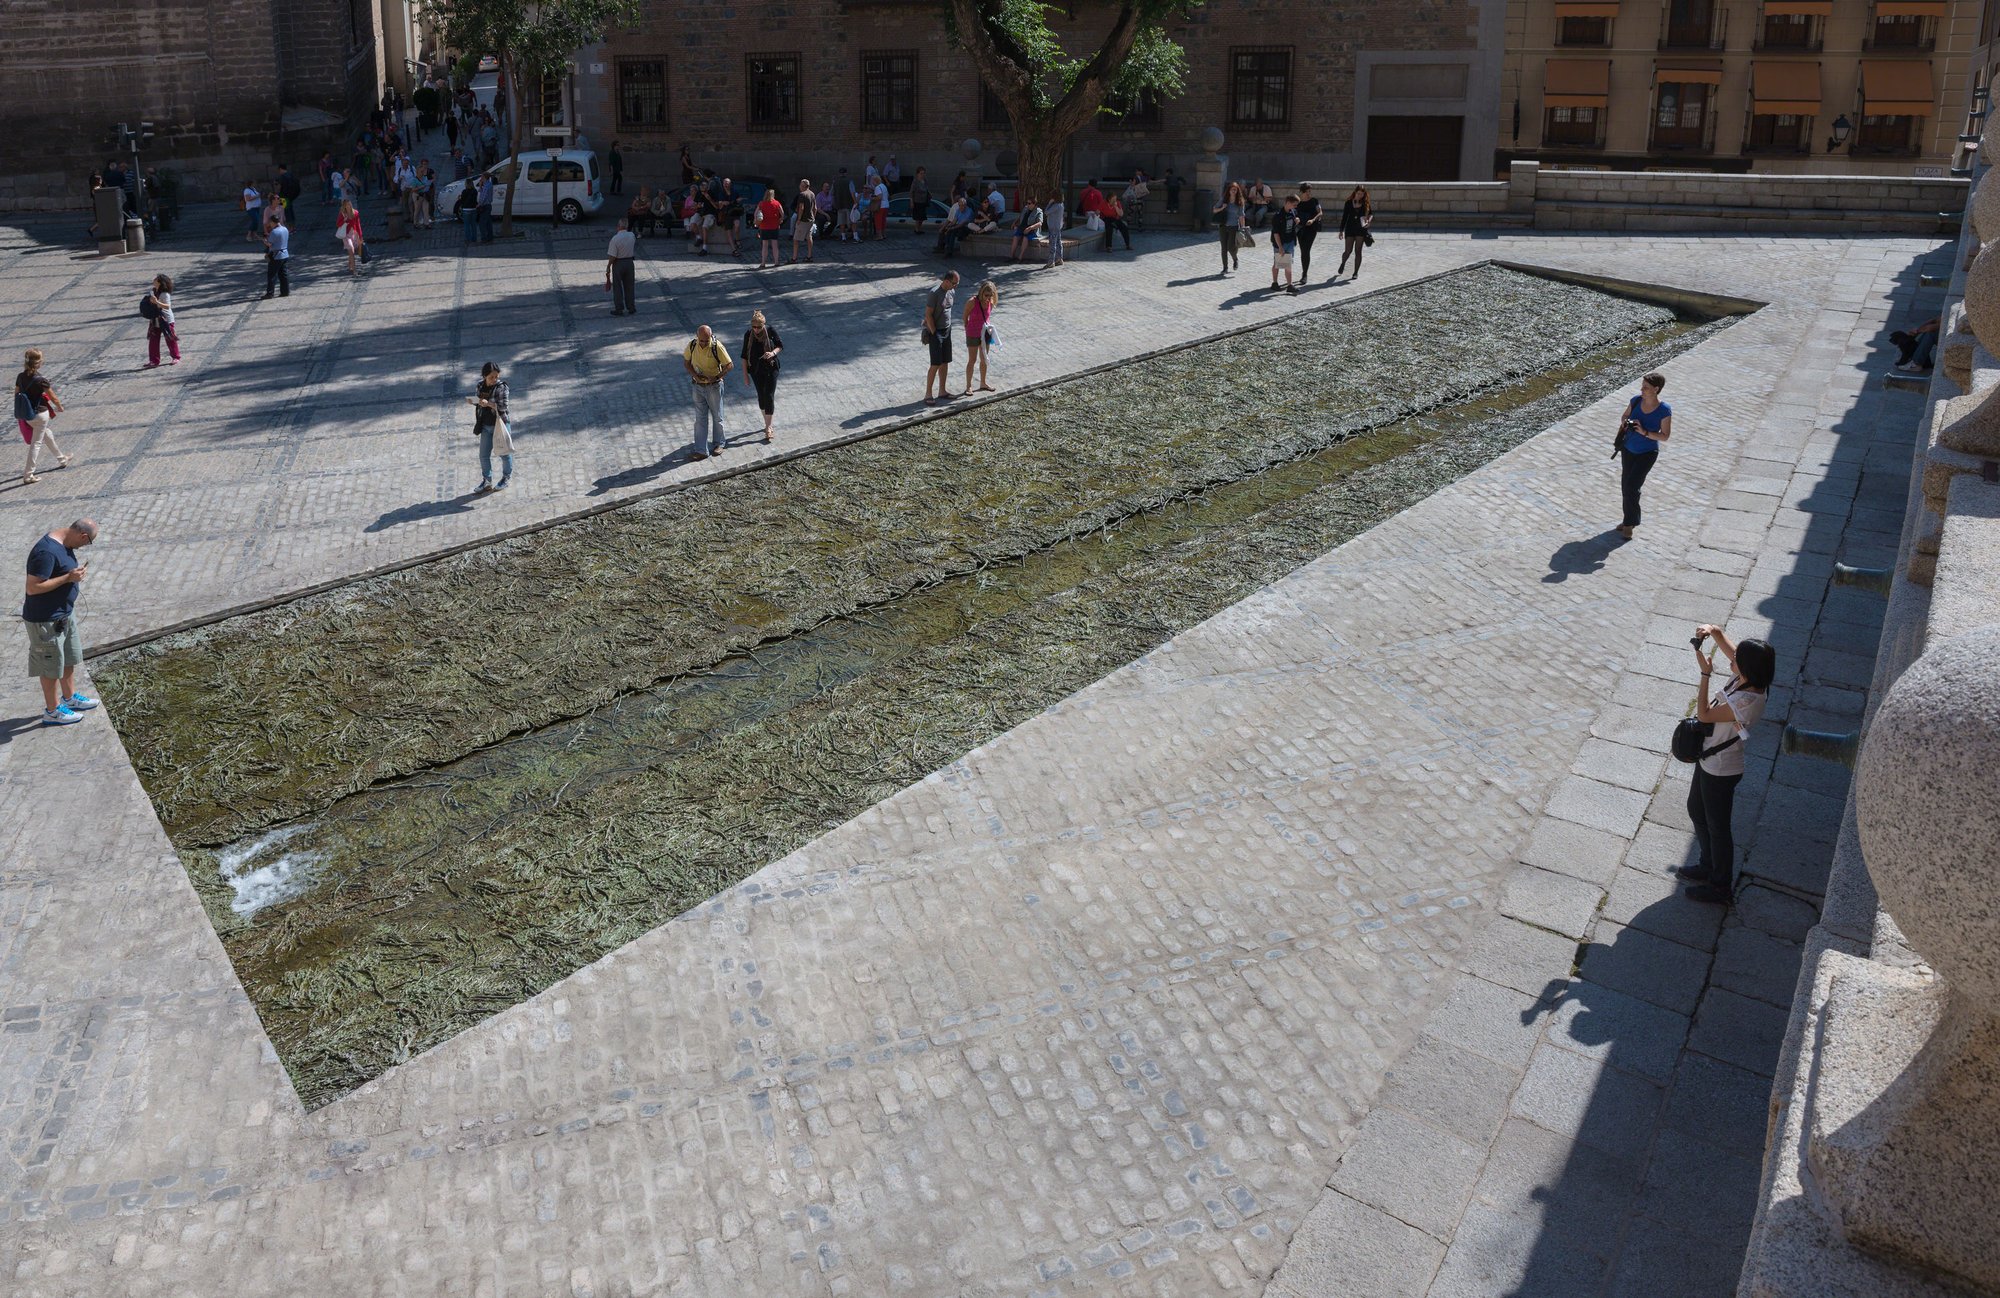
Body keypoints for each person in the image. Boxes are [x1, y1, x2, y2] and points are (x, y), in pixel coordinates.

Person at [1679, 625, 1775, 905]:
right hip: (1709, 759)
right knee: (1696, 809)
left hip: (1722, 769)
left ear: (1747, 668)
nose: (1731, 660)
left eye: (1736, 660)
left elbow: (1704, 715)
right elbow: (1729, 648)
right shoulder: (1747, 677)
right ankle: (1707, 863)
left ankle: (1720, 886)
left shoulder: (1747, 701)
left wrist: (1705, 675)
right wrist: (1714, 630)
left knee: (1718, 827)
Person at [22, 518, 100, 728]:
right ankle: (52, 711)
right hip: (46, 621)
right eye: (87, 542)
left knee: (67, 658)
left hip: (64, 615)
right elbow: (33, 588)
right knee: (50, 668)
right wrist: (67, 578)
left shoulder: (64, 545)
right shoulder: (46, 552)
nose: (84, 546)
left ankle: (69, 697)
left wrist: (73, 577)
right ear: (83, 536)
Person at [1614, 372, 1672, 540]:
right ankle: (1629, 519)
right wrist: (1626, 422)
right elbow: (1625, 415)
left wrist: (1644, 432)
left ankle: (1629, 524)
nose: (1642, 389)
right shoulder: (1635, 400)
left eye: (1646, 387)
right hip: (1628, 449)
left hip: (1647, 453)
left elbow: (1665, 436)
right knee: (1626, 486)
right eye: (1642, 386)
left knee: (1632, 486)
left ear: (1656, 389)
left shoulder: (1664, 410)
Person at [15, 350, 68, 486]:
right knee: (36, 443)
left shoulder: (20, 376)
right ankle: (28, 475)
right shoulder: (41, 380)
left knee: (47, 434)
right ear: (38, 363)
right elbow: (53, 397)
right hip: (40, 414)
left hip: (28, 415)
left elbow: (17, 394)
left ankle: (62, 459)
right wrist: (60, 407)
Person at [684, 325, 734, 460]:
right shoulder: (692, 345)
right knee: (700, 419)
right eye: (701, 340)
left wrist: (717, 377)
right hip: (697, 386)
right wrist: (695, 375)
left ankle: (719, 444)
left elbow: (729, 365)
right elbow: (686, 362)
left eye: (706, 340)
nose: (704, 343)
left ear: (711, 336)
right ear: (697, 337)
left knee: (717, 417)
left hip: (714, 387)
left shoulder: (717, 346)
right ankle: (701, 450)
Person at [465, 361, 513, 492]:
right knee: (483, 455)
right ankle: (487, 481)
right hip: (485, 425)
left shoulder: (502, 388)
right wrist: (473, 401)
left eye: (496, 376)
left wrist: (489, 404)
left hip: (500, 425)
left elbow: (503, 407)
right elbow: (479, 402)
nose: (494, 379)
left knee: (504, 453)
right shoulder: (480, 385)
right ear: (484, 376)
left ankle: (506, 478)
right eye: (491, 377)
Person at [742, 311, 783, 444]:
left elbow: (780, 345)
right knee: (761, 395)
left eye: (759, 327)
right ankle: (766, 421)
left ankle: (768, 427)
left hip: (771, 367)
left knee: (769, 395)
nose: (756, 330)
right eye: (754, 327)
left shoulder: (770, 331)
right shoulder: (748, 334)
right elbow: (744, 356)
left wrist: (772, 353)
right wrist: (745, 376)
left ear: (763, 325)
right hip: (755, 370)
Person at [922, 270, 959, 406]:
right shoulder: (934, 293)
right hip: (936, 332)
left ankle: (942, 391)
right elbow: (928, 314)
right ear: (946, 281)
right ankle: (928, 394)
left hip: (947, 330)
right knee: (935, 364)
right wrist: (933, 332)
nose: (955, 286)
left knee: (945, 362)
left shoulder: (951, 291)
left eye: (957, 284)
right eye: (954, 283)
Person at [962, 280, 998, 396]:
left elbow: (987, 317)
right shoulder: (972, 302)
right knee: (972, 360)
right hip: (972, 333)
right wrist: (967, 328)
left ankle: (983, 383)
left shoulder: (990, 302)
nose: (988, 298)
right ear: (981, 292)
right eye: (986, 295)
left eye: (990, 295)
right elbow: (965, 316)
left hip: (985, 333)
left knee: (984, 359)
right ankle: (968, 386)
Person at [143, 275, 180, 367]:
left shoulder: (164, 294)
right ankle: (154, 360)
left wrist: (156, 302)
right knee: (153, 340)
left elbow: (167, 306)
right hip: (155, 319)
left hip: (166, 320)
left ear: (159, 282)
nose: (153, 280)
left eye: (155, 279)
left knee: (170, 339)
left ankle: (176, 357)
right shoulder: (153, 291)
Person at [1337, 186, 1372, 280]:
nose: (1360, 195)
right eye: (1358, 193)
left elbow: (1370, 215)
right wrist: (1341, 231)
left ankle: (1355, 272)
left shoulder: (1366, 203)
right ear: (1355, 192)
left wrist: (1368, 222)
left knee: (1358, 251)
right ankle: (1343, 263)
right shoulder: (1348, 203)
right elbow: (1344, 217)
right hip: (1350, 229)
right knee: (1348, 251)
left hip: (1361, 229)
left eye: (1362, 194)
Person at [606, 217, 638, 315]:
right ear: (627, 226)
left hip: (618, 263)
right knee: (629, 286)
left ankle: (619, 308)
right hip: (629, 262)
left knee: (617, 286)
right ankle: (631, 307)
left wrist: (608, 266)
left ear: (618, 226)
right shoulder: (632, 235)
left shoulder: (615, 239)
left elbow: (613, 256)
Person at [1269, 194, 1300, 294]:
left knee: (1288, 264)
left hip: (1290, 242)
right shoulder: (1278, 216)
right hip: (1280, 243)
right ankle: (1274, 283)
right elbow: (1276, 233)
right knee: (1277, 264)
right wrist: (1280, 247)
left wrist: (1297, 221)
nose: (1295, 207)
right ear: (1288, 203)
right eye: (1294, 205)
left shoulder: (1293, 212)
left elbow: (1292, 225)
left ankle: (1290, 285)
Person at [1214, 182, 1246, 274]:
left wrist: (1243, 228)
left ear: (1237, 191)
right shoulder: (1224, 199)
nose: (1233, 191)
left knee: (1230, 247)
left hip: (1234, 227)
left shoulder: (1239, 201)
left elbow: (1241, 216)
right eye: (1232, 189)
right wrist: (1222, 208)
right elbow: (1214, 210)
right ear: (1229, 190)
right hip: (1223, 226)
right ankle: (1225, 268)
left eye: (1235, 190)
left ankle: (1235, 259)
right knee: (1224, 248)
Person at [1294, 184, 1322, 286]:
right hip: (1300, 229)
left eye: (1310, 191)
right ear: (1302, 192)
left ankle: (1304, 274)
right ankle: (1304, 272)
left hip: (1311, 229)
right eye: (1307, 192)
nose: (1309, 193)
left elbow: (1320, 213)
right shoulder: (1298, 203)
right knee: (1303, 251)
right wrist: (1296, 218)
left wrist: (1313, 220)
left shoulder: (1314, 201)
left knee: (1306, 250)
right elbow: (1293, 213)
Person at [1007, 195, 1043, 262]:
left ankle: (1020, 257)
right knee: (1015, 237)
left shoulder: (1039, 211)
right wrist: (1014, 222)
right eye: (1027, 203)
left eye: (1029, 203)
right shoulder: (1025, 208)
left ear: (1034, 204)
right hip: (1022, 227)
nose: (1027, 205)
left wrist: (1030, 228)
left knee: (1025, 238)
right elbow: (1020, 216)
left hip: (1032, 230)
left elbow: (1040, 223)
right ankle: (1011, 256)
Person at [755, 188, 785, 267]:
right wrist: (780, 220)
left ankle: (763, 263)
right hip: (774, 226)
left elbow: (756, 213)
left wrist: (756, 221)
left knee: (764, 246)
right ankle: (776, 262)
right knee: (775, 245)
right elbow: (782, 213)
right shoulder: (777, 203)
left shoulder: (761, 203)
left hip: (764, 227)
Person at [263, 218, 291, 299]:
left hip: (276, 256)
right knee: (283, 274)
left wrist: (264, 240)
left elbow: (269, 244)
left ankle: (270, 293)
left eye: (270, 222)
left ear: (273, 222)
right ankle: (285, 291)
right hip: (285, 254)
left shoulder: (274, 232)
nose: (270, 224)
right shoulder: (285, 229)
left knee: (272, 275)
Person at [791, 179, 817, 263]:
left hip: (803, 220)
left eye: (801, 185)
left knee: (796, 239)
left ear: (804, 186)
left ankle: (794, 258)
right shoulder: (812, 194)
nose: (799, 186)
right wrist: (813, 217)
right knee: (809, 237)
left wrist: (799, 219)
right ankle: (809, 256)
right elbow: (815, 208)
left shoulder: (802, 195)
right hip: (810, 219)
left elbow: (801, 208)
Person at [1043, 191, 1066, 269]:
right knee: (1058, 243)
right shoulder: (1061, 204)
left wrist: (1049, 203)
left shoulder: (1055, 206)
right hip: (1058, 226)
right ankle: (1059, 258)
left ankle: (1051, 262)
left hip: (1053, 227)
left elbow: (1046, 212)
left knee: (1052, 244)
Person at [909, 166, 931, 234]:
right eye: (921, 173)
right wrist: (911, 201)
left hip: (924, 201)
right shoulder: (915, 181)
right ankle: (916, 229)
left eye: (924, 173)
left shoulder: (925, 180)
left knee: (922, 217)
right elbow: (911, 192)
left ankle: (920, 228)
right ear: (917, 174)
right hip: (917, 201)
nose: (922, 175)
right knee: (918, 217)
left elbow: (927, 189)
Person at [476, 171, 496, 242]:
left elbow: (483, 197)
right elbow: (482, 192)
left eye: (481, 177)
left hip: (485, 206)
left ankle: (484, 238)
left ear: (484, 177)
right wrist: (480, 186)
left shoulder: (487, 186)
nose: (480, 178)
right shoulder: (488, 184)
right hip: (488, 205)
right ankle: (490, 236)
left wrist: (479, 204)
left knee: (482, 223)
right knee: (488, 222)